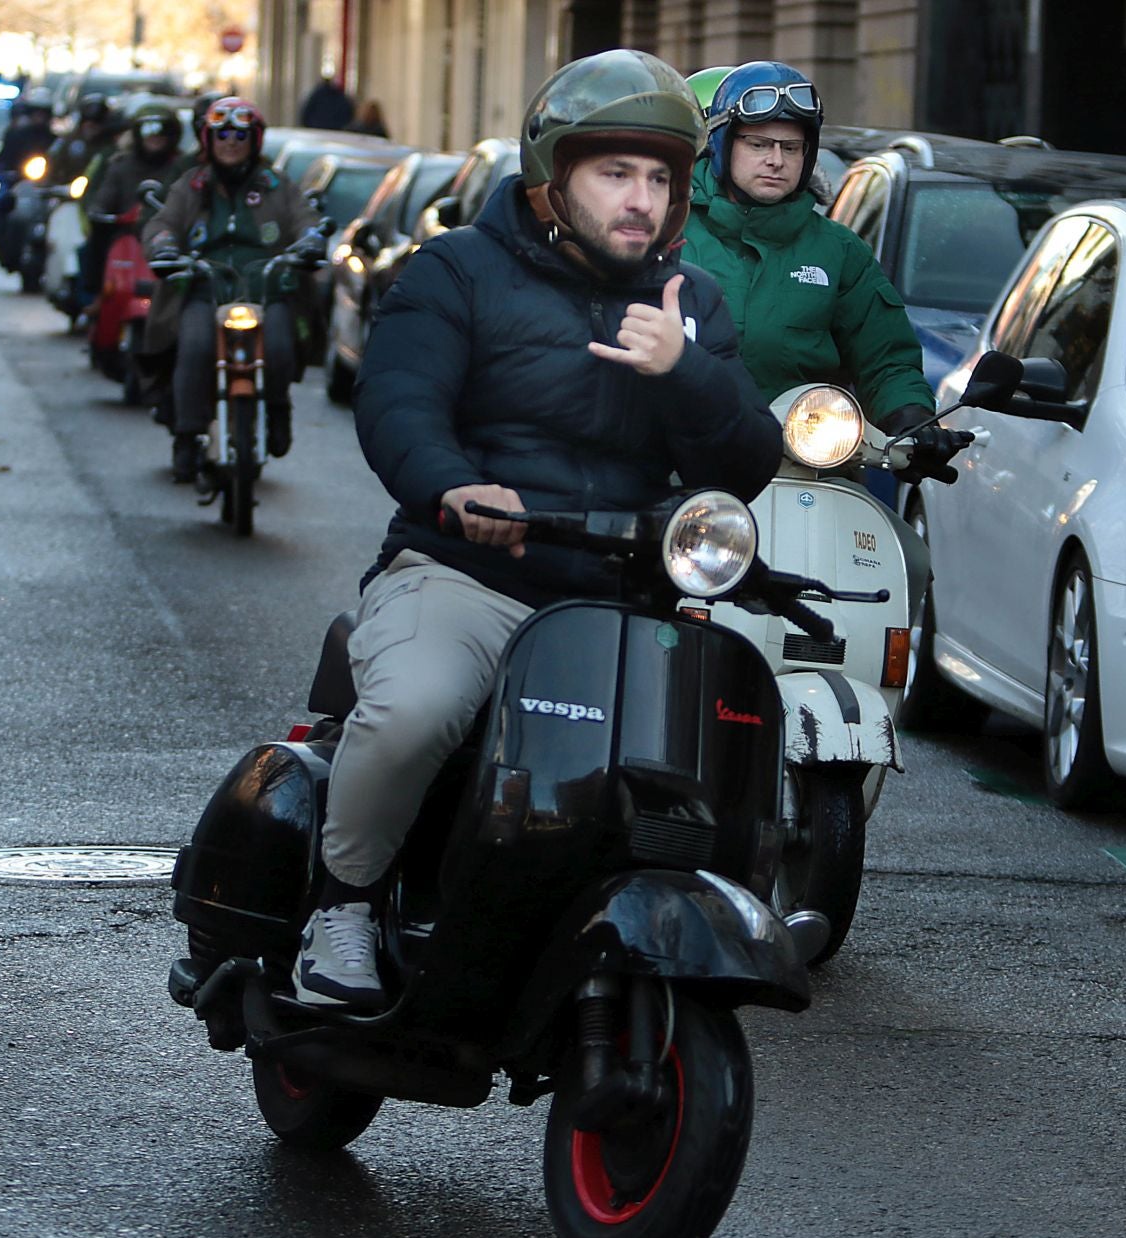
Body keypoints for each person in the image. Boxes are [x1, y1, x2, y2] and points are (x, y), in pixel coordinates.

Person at [291, 50, 780, 1009]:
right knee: (418, 710)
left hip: (624, 600)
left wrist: (685, 372)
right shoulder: (459, 269)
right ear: (555, 180)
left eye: (659, 178)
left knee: (715, 747)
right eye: (615, 172)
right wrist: (457, 489)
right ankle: (340, 905)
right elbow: (396, 404)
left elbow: (746, 464)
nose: (640, 198)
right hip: (467, 575)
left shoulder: (692, 308)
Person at [678, 62, 967, 491]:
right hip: (677, 468)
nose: (776, 161)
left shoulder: (839, 251)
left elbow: (886, 359)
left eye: (791, 148)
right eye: (759, 144)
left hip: (803, 473)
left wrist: (912, 418)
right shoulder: (669, 228)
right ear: (721, 144)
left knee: (907, 557)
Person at [143, 97, 317, 481]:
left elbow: (306, 218)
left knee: (280, 345)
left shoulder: (278, 184)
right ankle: (187, 436)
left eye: (241, 134)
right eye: (222, 133)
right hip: (205, 286)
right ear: (208, 138)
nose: (231, 141)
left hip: (267, 289)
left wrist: (309, 241)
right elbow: (163, 223)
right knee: (194, 345)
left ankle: (276, 407)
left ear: (255, 140)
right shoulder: (191, 184)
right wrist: (165, 246)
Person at [80, 100, 185, 302]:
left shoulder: (181, 167)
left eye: (162, 130)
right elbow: (104, 198)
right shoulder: (121, 165)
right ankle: (96, 298)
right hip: (126, 234)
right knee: (91, 246)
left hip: (170, 235)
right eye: (148, 130)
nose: (154, 137)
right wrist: (100, 212)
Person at [47, 94, 113, 184]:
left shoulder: (108, 146)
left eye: (97, 123)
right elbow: (53, 161)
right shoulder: (68, 141)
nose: (91, 128)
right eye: (88, 123)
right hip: (64, 185)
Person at [0, 88, 57, 175]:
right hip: (17, 181)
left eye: (43, 112)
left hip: (45, 183)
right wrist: (7, 172)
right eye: (36, 111)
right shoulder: (16, 136)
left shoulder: (54, 140)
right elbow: (2, 161)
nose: (39, 116)